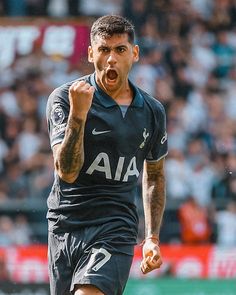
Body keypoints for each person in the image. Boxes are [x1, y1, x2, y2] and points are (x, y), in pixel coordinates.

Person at [46, 15, 168, 295]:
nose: (111, 59)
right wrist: (78, 115)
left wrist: (151, 237)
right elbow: (67, 171)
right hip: (65, 224)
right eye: (103, 50)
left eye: (120, 50)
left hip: (116, 225)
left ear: (134, 54)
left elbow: (155, 175)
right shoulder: (65, 98)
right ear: (91, 54)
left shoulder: (152, 111)